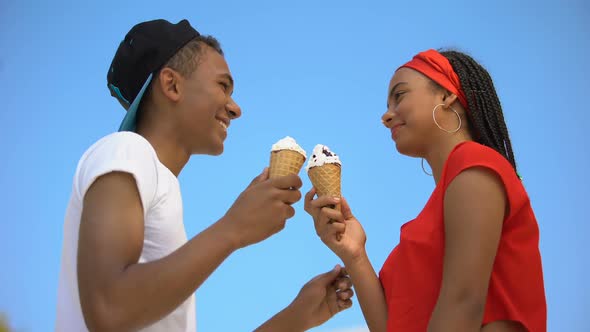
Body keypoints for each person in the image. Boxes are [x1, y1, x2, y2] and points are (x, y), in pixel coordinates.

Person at [55, 19, 353, 331]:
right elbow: (109, 310)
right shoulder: (126, 150)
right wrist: (233, 228)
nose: (236, 108)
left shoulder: (158, 185)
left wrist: (295, 319)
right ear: (172, 85)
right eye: (223, 86)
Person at [305, 49, 546, 331]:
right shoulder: (439, 206)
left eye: (400, 95)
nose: (386, 115)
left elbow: (463, 303)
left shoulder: (474, 162)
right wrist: (354, 254)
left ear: (446, 95)